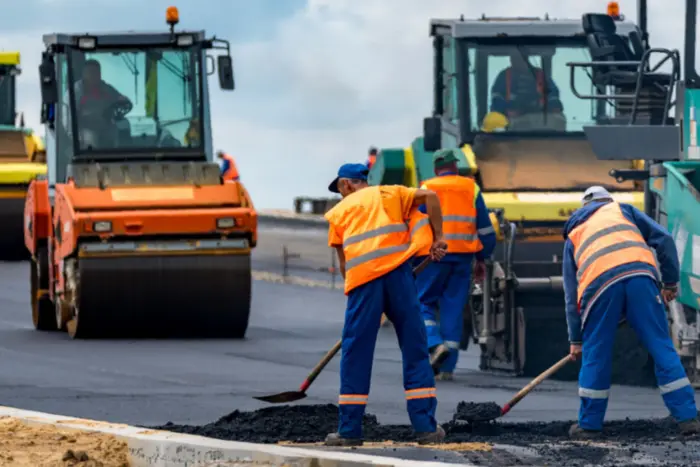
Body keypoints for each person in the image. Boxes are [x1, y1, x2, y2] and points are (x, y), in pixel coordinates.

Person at [323, 162, 448, 447]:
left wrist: (360, 302)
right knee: (415, 349)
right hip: (400, 277)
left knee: (356, 352)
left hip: (364, 283)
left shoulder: (339, 212)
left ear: (346, 185)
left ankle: (349, 430)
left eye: (340, 189)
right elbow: (430, 197)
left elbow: (344, 265)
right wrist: (438, 237)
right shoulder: (391, 194)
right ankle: (426, 427)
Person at [563, 186, 700, 439]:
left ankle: (590, 425)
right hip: (641, 278)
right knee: (662, 347)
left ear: (584, 208)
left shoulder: (575, 232)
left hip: (599, 287)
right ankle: (688, 419)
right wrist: (669, 283)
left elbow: (571, 296)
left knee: (596, 354)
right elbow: (665, 240)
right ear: (607, 200)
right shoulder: (623, 211)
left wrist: (576, 339)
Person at [414, 149, 497, 380]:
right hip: (463, 258)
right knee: (453, 309)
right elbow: (485, 229)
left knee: (421, 302)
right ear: (455, 165)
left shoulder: (426, 186)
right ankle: (447, 369)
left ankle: (434, 343)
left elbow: (416, 224)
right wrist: (483, 257)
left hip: (432, 257)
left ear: (436, 167)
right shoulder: (471, 187)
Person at [65, 59, 132, 148]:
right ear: (84, 74)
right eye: (91, 72)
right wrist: (72, 136)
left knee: (120, 128)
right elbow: (68, 117)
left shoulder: (105, 88)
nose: (95, 75)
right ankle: (90, 160)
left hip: (104, 125)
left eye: (97, 72)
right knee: (91, 137)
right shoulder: (75, 92)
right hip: (83, 129)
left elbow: (118, 98)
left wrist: (123, 100)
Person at [489, 49, 563, 126]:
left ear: (525, 58)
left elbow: (553, 95)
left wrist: (554, 107)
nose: (513, 60)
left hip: (539, 119)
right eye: (512, 57)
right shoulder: (504, 76)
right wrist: (501, 111)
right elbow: (497, 98)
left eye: (517, 57)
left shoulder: (540, 75)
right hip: (511, 123)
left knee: (558, 119)